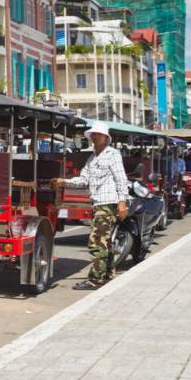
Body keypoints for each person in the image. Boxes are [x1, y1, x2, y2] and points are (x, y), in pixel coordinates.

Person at [51, 121, 129, 290]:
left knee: (96, 242)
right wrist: (64, 181)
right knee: (105, 242)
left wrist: (122, 202)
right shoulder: (92, 158)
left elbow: (121, 179)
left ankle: (95, 279)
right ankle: (108, 274)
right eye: (93, 134)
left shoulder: (112, 154)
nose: (95, 137)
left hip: (108, 203)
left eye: (98, 134)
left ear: (105, 137)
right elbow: (84, 180)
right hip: (97, 203)